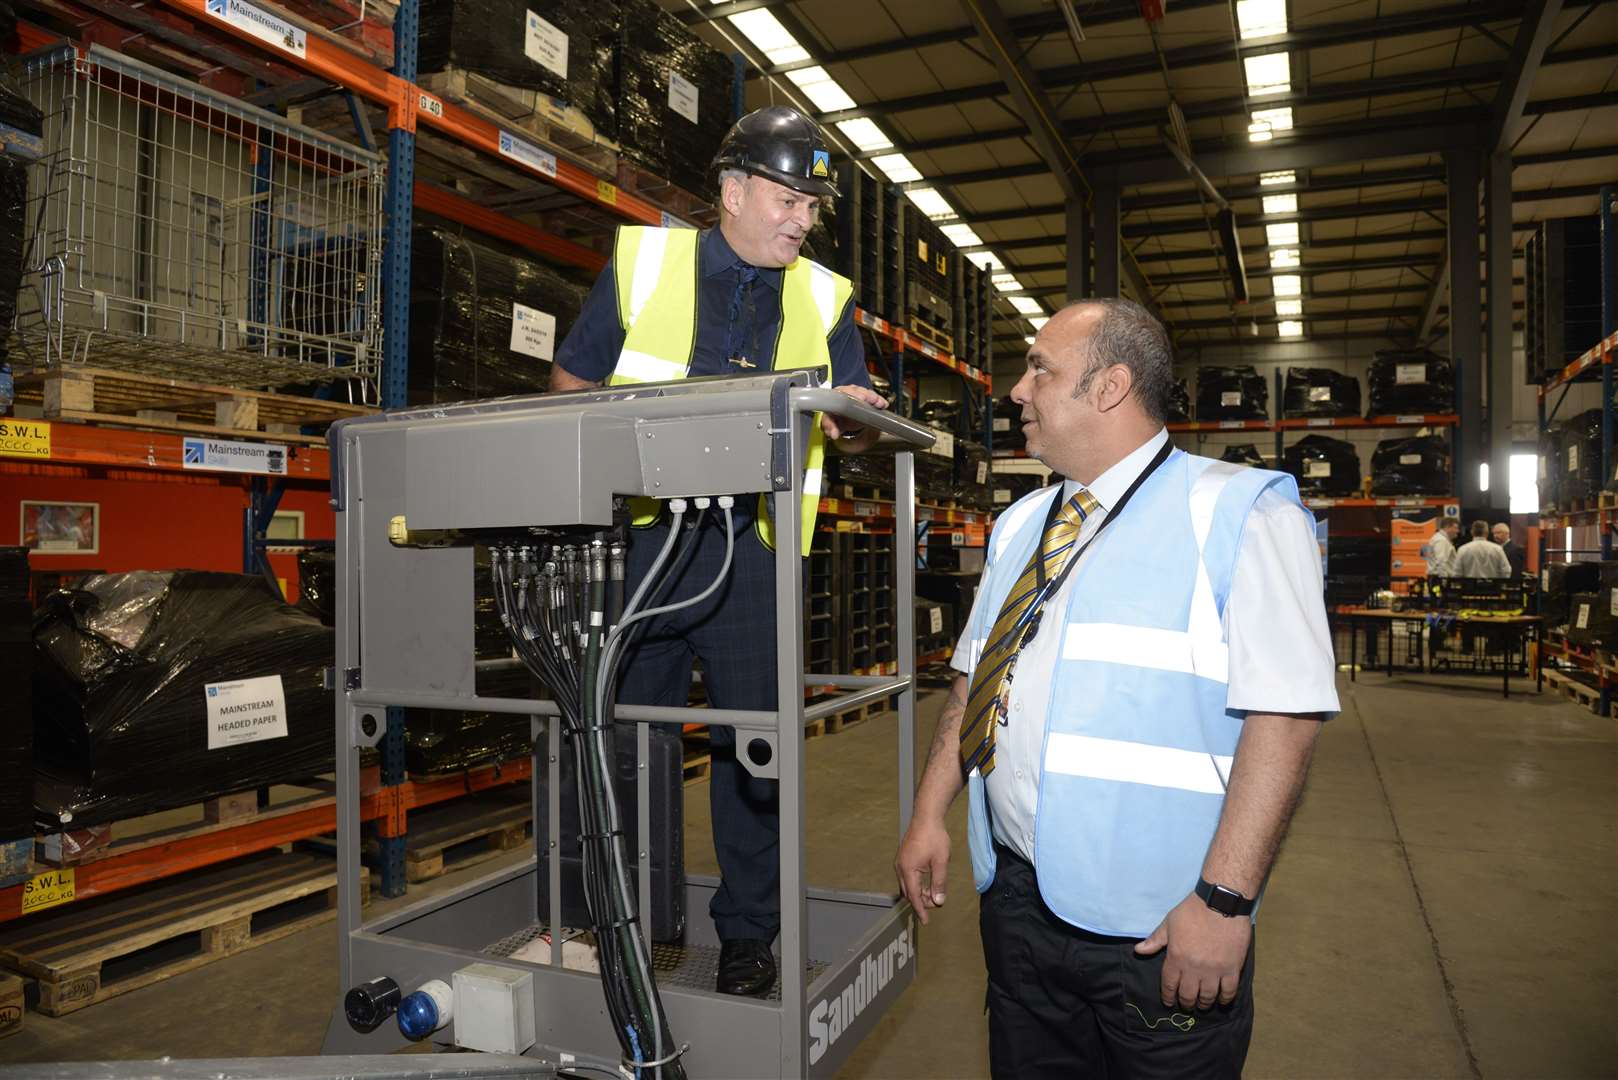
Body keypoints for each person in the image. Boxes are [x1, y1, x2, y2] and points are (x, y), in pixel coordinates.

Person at [894, 299, 1338, 1078]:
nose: (1017, 391)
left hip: (1161, 926)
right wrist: (932, 810)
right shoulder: (1023, 523)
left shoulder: (1240, 512)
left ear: (1109, 387)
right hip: (1020, 902)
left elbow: (1287, 719)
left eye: (1041, 369)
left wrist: (1224, 904)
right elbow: (975, 683)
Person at [550, 105, 887, 997]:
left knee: (758, 754)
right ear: (733, 192)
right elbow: (571, 382)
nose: (802, 220)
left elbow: (850, 430)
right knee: (625, 743)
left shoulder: (826, 296)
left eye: (813, 206)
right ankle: (625, 923)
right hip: (643, 551)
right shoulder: (643, 266)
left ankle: (748, 938)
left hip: (755, 553)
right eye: (788, 199)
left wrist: (855, 418)